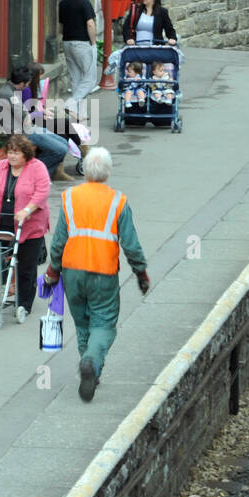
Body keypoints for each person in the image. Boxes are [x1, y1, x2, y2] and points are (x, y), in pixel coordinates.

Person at [44, 147, 149, 402]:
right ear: (108, 172)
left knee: (82, 323)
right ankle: (91, 361)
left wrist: (52, 271)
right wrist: (141, 273)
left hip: (72, 271)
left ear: (86, 170)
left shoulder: (69, 198)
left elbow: (59, 240)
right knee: (103, 323)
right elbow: (131, 244)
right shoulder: (117, 201)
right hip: (103, 272)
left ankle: (90, 367)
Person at [0, 134, 51, 324]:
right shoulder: (1, 167)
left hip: (29, 226)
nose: (11, 157)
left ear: (25, 154)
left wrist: (27, 209)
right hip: (0, 223)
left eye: (16, 153)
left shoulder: (37, 168)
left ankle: (24, 304)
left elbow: (42, 192)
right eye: (10, 152)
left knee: (26, 267)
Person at [0, 65, 75, 182]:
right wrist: (34, 115)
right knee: (60, 150)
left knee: (63, 143)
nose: (28, 86)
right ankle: (34, 176)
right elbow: (25, 117)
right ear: (22, 83)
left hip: (28, 128)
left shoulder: (10, 89)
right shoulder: (9, 95)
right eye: (28, 83)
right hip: (22, 134)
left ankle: (39, 174)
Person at [58, 0, 98, 105]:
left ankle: (77, 113)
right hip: (82, 43)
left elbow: (60, 26)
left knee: (76, 78)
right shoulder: (85, 2)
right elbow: (90, 24)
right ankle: (71, 103)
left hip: (67, 42)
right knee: (90, 78)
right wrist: (93, 42)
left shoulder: (62, 3)